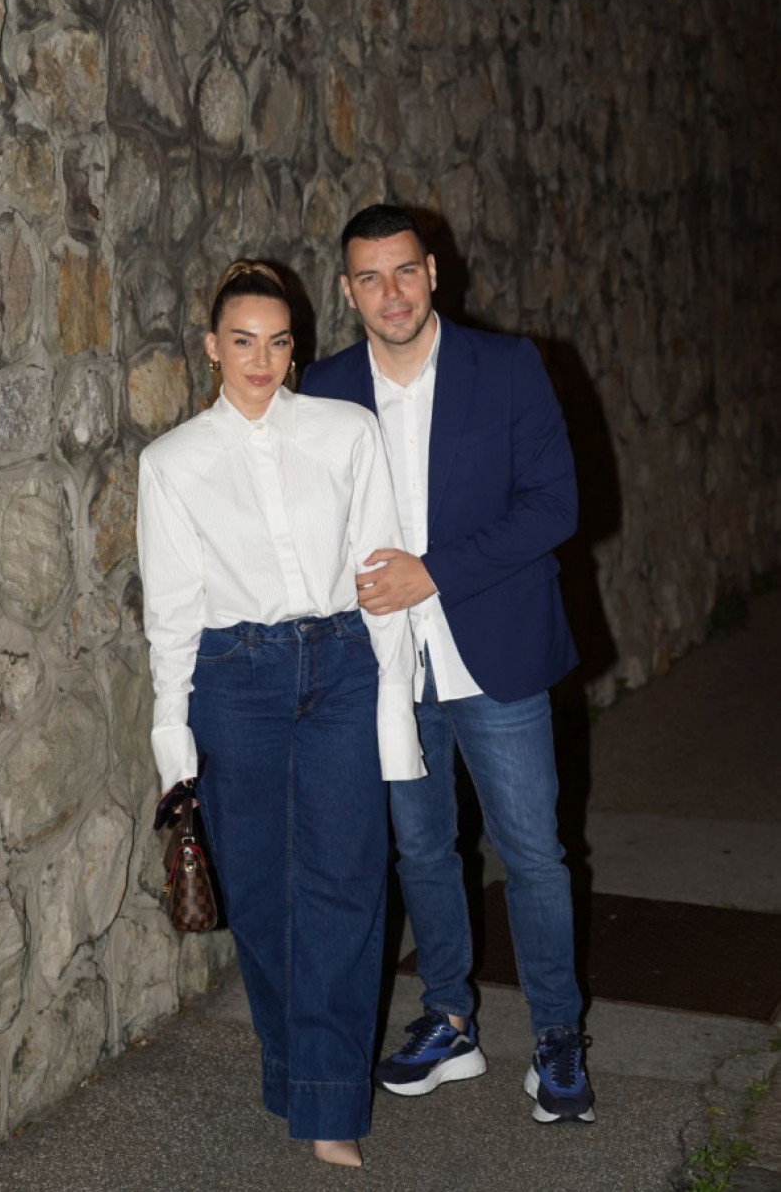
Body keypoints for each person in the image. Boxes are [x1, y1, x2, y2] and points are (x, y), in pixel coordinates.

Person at [300, 205, 594, 1124]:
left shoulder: (506, 367)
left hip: (494, 651)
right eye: (370, 277)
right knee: (421, 848)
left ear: (433, 271)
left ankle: (557, 1037)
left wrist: (432, 571)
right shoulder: (325, 389)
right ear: (348, 291)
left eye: (404, 271)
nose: (390, 292)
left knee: (534, 854)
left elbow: (554, 505)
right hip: (389, 666)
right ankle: (450, 1019)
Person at [136, 259, 425, 1167]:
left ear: (295, 347)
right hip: (233, 678)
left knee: (346, 882)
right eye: (243, 341)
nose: (261, 360)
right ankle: (296, 1070)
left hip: (341, 665)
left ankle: (329, 1103)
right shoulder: (171, 463)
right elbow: (171, 614)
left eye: (278, 341)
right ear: (212, 347)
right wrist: (173, 742)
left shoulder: (346, 432)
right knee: (262, 892)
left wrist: (393, 709)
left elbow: (381, 572)